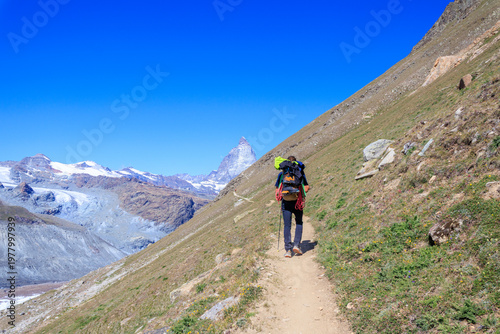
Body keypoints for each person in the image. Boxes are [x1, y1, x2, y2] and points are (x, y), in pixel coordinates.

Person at [275, 156, 310, 258]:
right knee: (299, 222)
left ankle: (288, 250)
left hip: (286, 202)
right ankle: (296, 245)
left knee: (287, 226)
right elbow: (306, 188)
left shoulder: (282, 174)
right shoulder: (300, 172)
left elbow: (277, 191)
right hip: (297, 202)